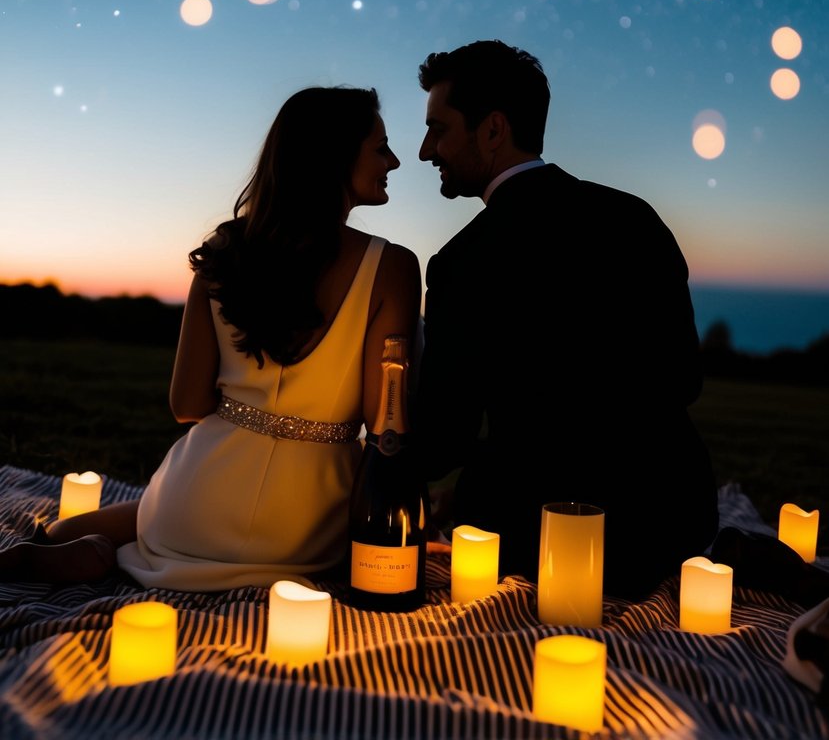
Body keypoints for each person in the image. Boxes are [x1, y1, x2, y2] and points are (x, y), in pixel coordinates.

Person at [3, 86, 421, 589]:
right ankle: (91, 544)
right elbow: (384, 422)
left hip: (192, 500)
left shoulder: (225, 250)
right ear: (334, 155)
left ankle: (77, 546)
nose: (394, 160)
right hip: (307, 531)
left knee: (97, 526)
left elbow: (186, 403)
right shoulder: (392, 266)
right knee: (137, 523)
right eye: (381, 147)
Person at [413, 39, 719, 600]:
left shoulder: (463, 262)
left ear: (493, 129)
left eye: (438, 128)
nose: (425, 150)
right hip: (671, 526)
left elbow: (442, 439)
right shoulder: (636, 218)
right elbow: (684, 379)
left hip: (542, 538)